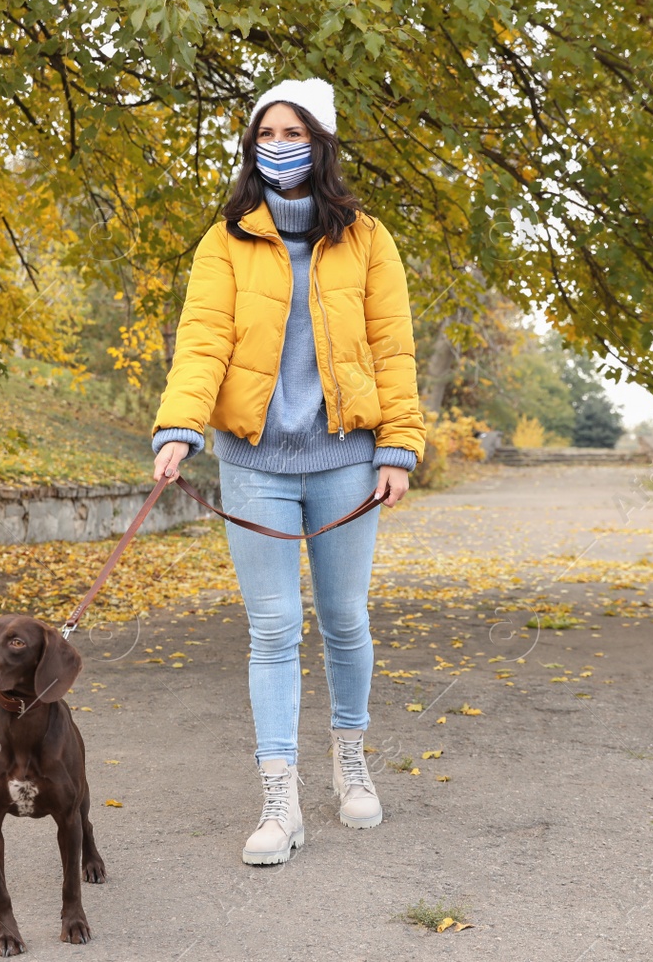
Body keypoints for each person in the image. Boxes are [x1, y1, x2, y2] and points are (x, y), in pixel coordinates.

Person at [149, 77, 426, 866]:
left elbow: (392, 347)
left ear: (322, 141)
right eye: (265, 133)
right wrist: (178, 427)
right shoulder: (225, 239)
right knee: (272, 627)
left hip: (347, 459)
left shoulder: (368, 239)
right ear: (251, 145)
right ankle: (281, 798)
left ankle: (350, 761)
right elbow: (202, 341)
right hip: (256, 463)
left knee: (345, 619)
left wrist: (398, 447)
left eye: (293, 131)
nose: (278, 145)